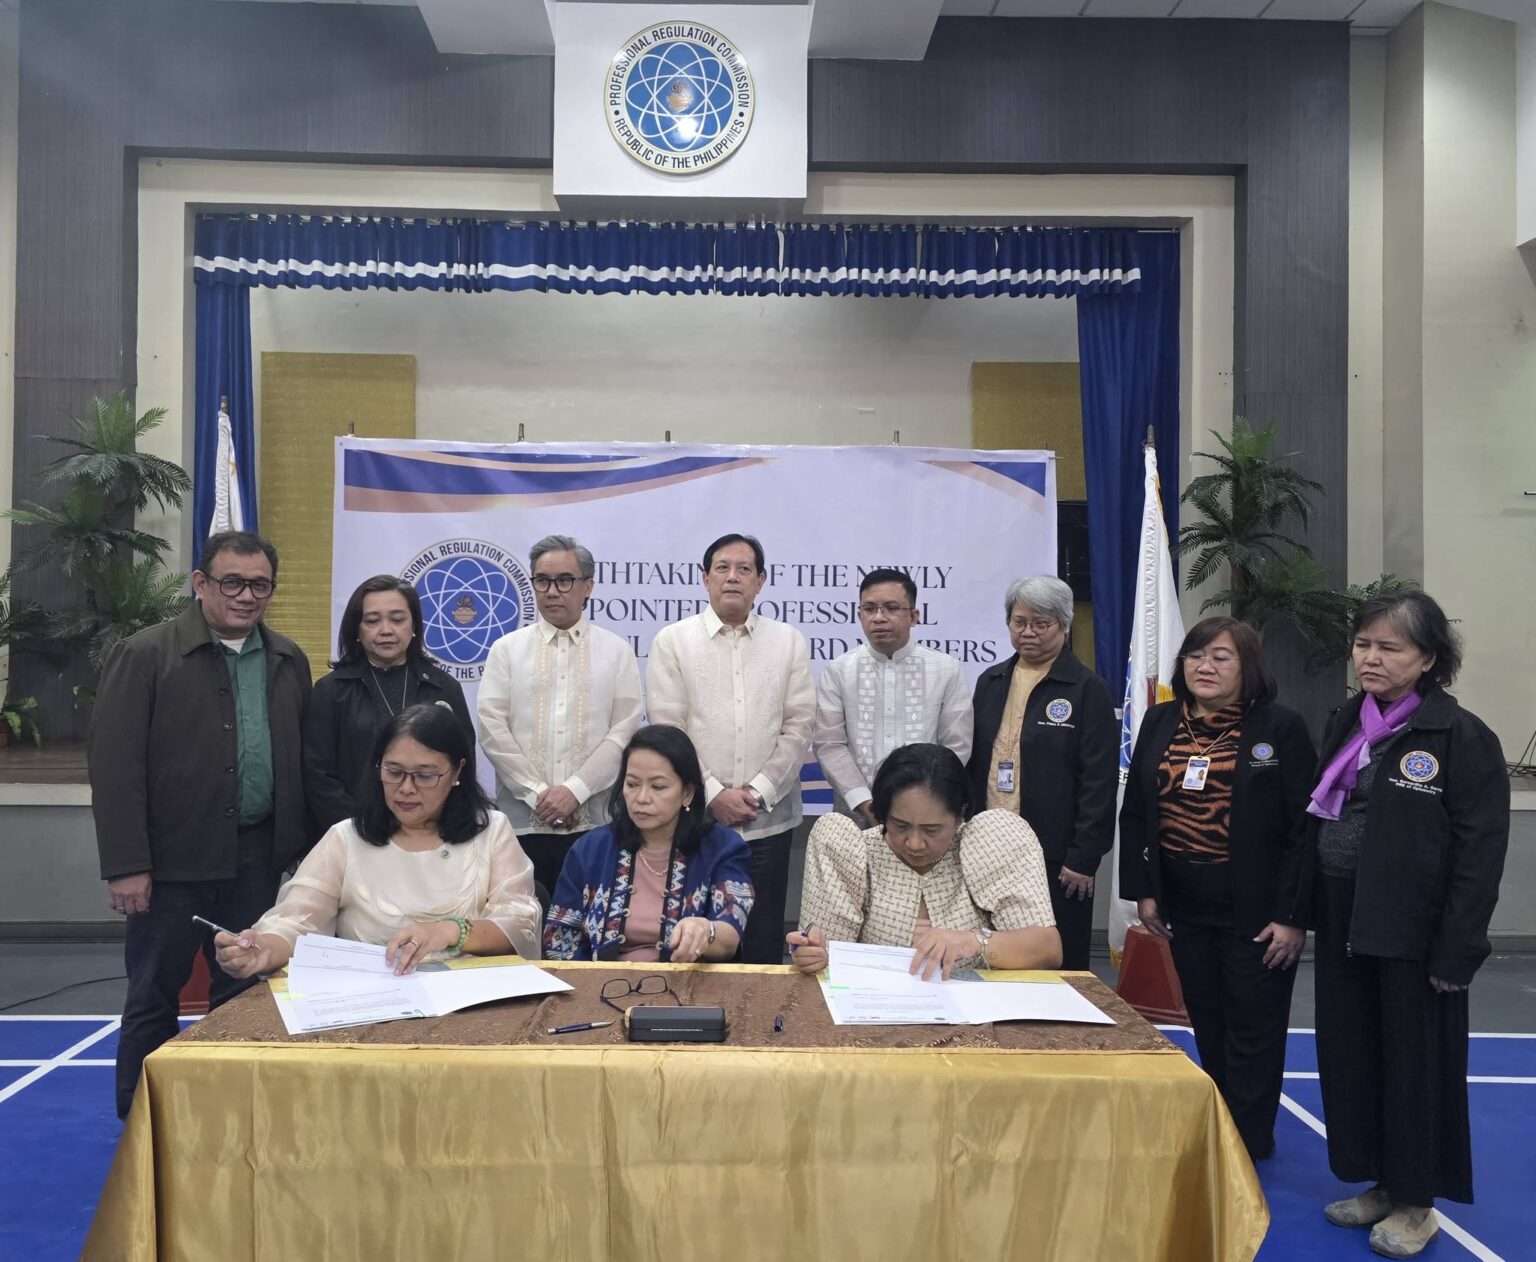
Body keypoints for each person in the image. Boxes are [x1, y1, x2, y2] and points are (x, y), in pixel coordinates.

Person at [1304, 592, 1507, 1258]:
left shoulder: (1461, 736)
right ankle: (1382, 1183)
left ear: (1428, 659)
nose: (1371, 657)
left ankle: (1417, 1203)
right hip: (1344, 917)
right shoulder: (1347, 719)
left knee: (1415, 1067)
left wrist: (1458, 949)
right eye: (1364, 644)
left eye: (1390, 647)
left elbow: (1479, 856)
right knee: (1355, 1056)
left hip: (1414, 933)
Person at [89, 530, 312, 1118]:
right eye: (231, 582)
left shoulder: (288, 659)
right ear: (200, 583)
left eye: (259, 585)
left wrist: (298, 851)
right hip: (169, 867)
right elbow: (114, 767)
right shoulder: (144, 654)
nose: (246, 596)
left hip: (257, 863)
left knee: (245, 996)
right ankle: (141, 1125)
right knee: (152, 997)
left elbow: (299, 761)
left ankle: (231, 1120)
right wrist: (127, 865)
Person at [1117, 616, 1316, 1162]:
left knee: (1253, 1027)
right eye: (1196, 656)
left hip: (1257, 911)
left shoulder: (1279, 727)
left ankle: (1248, 1142)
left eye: (1220, 657)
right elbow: (1137, 813)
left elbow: (1304, 829)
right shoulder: (1160, 721)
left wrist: (1293, 915)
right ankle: (1221, 1122)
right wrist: (1145, 890)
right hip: (1183, 905)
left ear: (1247, 667)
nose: (1205, 666)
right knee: (1207, 1019)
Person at [215, 702, 541, 978]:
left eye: (425, 775)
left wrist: (448, 931)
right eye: (394, 772)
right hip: (373, 1004)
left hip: (471, 1002)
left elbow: (519, 923)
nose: (407, 788)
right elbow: (296, 922)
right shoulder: (346, 838)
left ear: (457, 773)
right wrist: (262, 949)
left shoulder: (491, 831)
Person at [646, 533, 813, 963]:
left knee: (761, 942)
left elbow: (799, 725)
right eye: (722, 568)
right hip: (695, 821)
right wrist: (713, 794)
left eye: (744, 569)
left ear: (761, 581)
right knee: (694, 940)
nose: (733, 577)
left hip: (767, 823)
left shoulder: (788, 641)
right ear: (705, 579)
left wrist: (757, 792)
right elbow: (669, 728)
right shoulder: (673, 641)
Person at [790, 743, 1061, 980]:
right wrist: (812, 955)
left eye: (932, 830)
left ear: (960, 816)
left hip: (974, 1011)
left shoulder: (989, 843)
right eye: (900, 826)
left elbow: (1048, 951)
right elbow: (824, 959)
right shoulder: (850, 850)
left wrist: (972, 942)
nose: (915, 843)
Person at [477, 535, 643, 898]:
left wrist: (574, 791)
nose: (552, 591)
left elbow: (624, 731)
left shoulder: (616, 651)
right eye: (542, 581)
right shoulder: (506, 650)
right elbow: (491, 728)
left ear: (588, 586)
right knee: (523, 919)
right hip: (522, 826)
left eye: (564, 580)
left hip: (595, 824)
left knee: (592, 921)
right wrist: (539, 795)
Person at [966, 576, 1117, 970]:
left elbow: (1098, 782)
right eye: (1019, 622)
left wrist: (1083, 858)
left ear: (1064, 626)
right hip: (988, 844)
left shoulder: (1087, 689)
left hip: (1056, 856)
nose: (1028, 632)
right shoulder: (990, 681)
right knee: (993, 956)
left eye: (1041, 623)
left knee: (1057, 963)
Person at [543, 724, 754, 962]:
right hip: (602, 981)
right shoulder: (590, 849)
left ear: (687, 793)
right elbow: (559, 943)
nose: (642, 798)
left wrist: (707, 932)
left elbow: (730, 935)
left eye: (658, 787)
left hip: (687, 981)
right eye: (632, 784)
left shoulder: (723, 848)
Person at [303, 575, 473, 834]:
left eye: (397, 619)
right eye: (372, 621)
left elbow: (461, 763)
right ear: (357, 629)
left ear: (414, 625)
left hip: (432, 832)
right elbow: (318, 774)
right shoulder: (331, 690)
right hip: (355, 831)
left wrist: (430, 824)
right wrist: (360, 827)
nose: (386, 630)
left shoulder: (444, 687)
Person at [813, 567, 973, 824]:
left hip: (927, 813)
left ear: (914, 616)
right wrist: (865, 803)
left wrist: (917, 801)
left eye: (891, 608)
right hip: (856, 815)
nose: (879, 618)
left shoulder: (946, 669)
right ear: (859, 615)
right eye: (870, 609)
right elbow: (829, 745)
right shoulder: (839, 670)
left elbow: (957, 745)